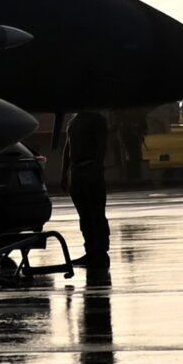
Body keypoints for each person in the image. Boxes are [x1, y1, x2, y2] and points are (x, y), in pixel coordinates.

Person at [63, 109, 112, 275]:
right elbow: (68, 147)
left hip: (90, 169)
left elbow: (101, 146)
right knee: (84, 216)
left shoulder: (97, 119)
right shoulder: (73, 121)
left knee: (96, 214)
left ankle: (101, 253)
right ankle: (90, 251)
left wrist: (96, 169)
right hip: (76, 173)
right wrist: (64, 173)